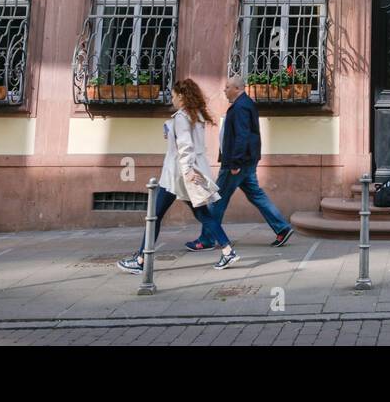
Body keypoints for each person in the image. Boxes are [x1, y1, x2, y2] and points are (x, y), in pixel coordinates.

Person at [117, 78, 233, 273]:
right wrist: (169, 130)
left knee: (154, 216)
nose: (172, 99)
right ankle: (228, 251)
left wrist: (187, 172)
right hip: (186, 174)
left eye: (173, 96)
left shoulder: (182, 117)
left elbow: (185, 146)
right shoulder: (195, 115)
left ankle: (140, 261)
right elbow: (187, 139)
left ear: (181, 96)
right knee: (202, 213)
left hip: (177, 176)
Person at [198, 74, 293, 267]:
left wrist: (235, 163)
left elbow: (242, 136)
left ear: (237, 88)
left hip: (236, 163)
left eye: (227, 87)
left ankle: (207, 238)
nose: (224, 90)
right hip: (246, 161)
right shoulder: (245, 104)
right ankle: (282, 228)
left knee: (217, 200)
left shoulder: (241, 106)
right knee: (256, 195)